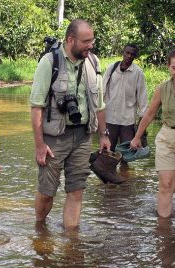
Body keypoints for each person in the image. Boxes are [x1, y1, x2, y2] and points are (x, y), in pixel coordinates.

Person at [30, 19, 110, 230]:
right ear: (70, 40)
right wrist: (39, 145)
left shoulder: (94, 63)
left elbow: (99, 104)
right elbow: (37, 106)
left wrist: (104, 134)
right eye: (86, 41)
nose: (91, 45)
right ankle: (39, 230)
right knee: (47, 193)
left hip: (83, 137)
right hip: (54, 140)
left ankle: (71, 242)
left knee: (76, 191)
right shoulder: (49, 63)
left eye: (92, 40)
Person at [131, 50, 175, 218]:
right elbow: (149, 114)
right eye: (174, 67)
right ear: (168, 67)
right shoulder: (163, 88)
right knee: (166, 184)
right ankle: (163, 231)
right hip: (167, 138)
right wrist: (136, 137)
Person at [103, 44, 148, 156]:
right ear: (123, 53)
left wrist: (142, 120)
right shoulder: (112, 68)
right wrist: (98, 112)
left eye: (132, 54)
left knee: (126, 153)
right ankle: (109, 172)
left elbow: (142, 96)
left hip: (127, 120)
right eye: (127, 53)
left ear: (135, 57)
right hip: (110, 118)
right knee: (108, 151)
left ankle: (125, 172)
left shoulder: (138, 72)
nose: (129, 56)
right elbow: (102, 90)